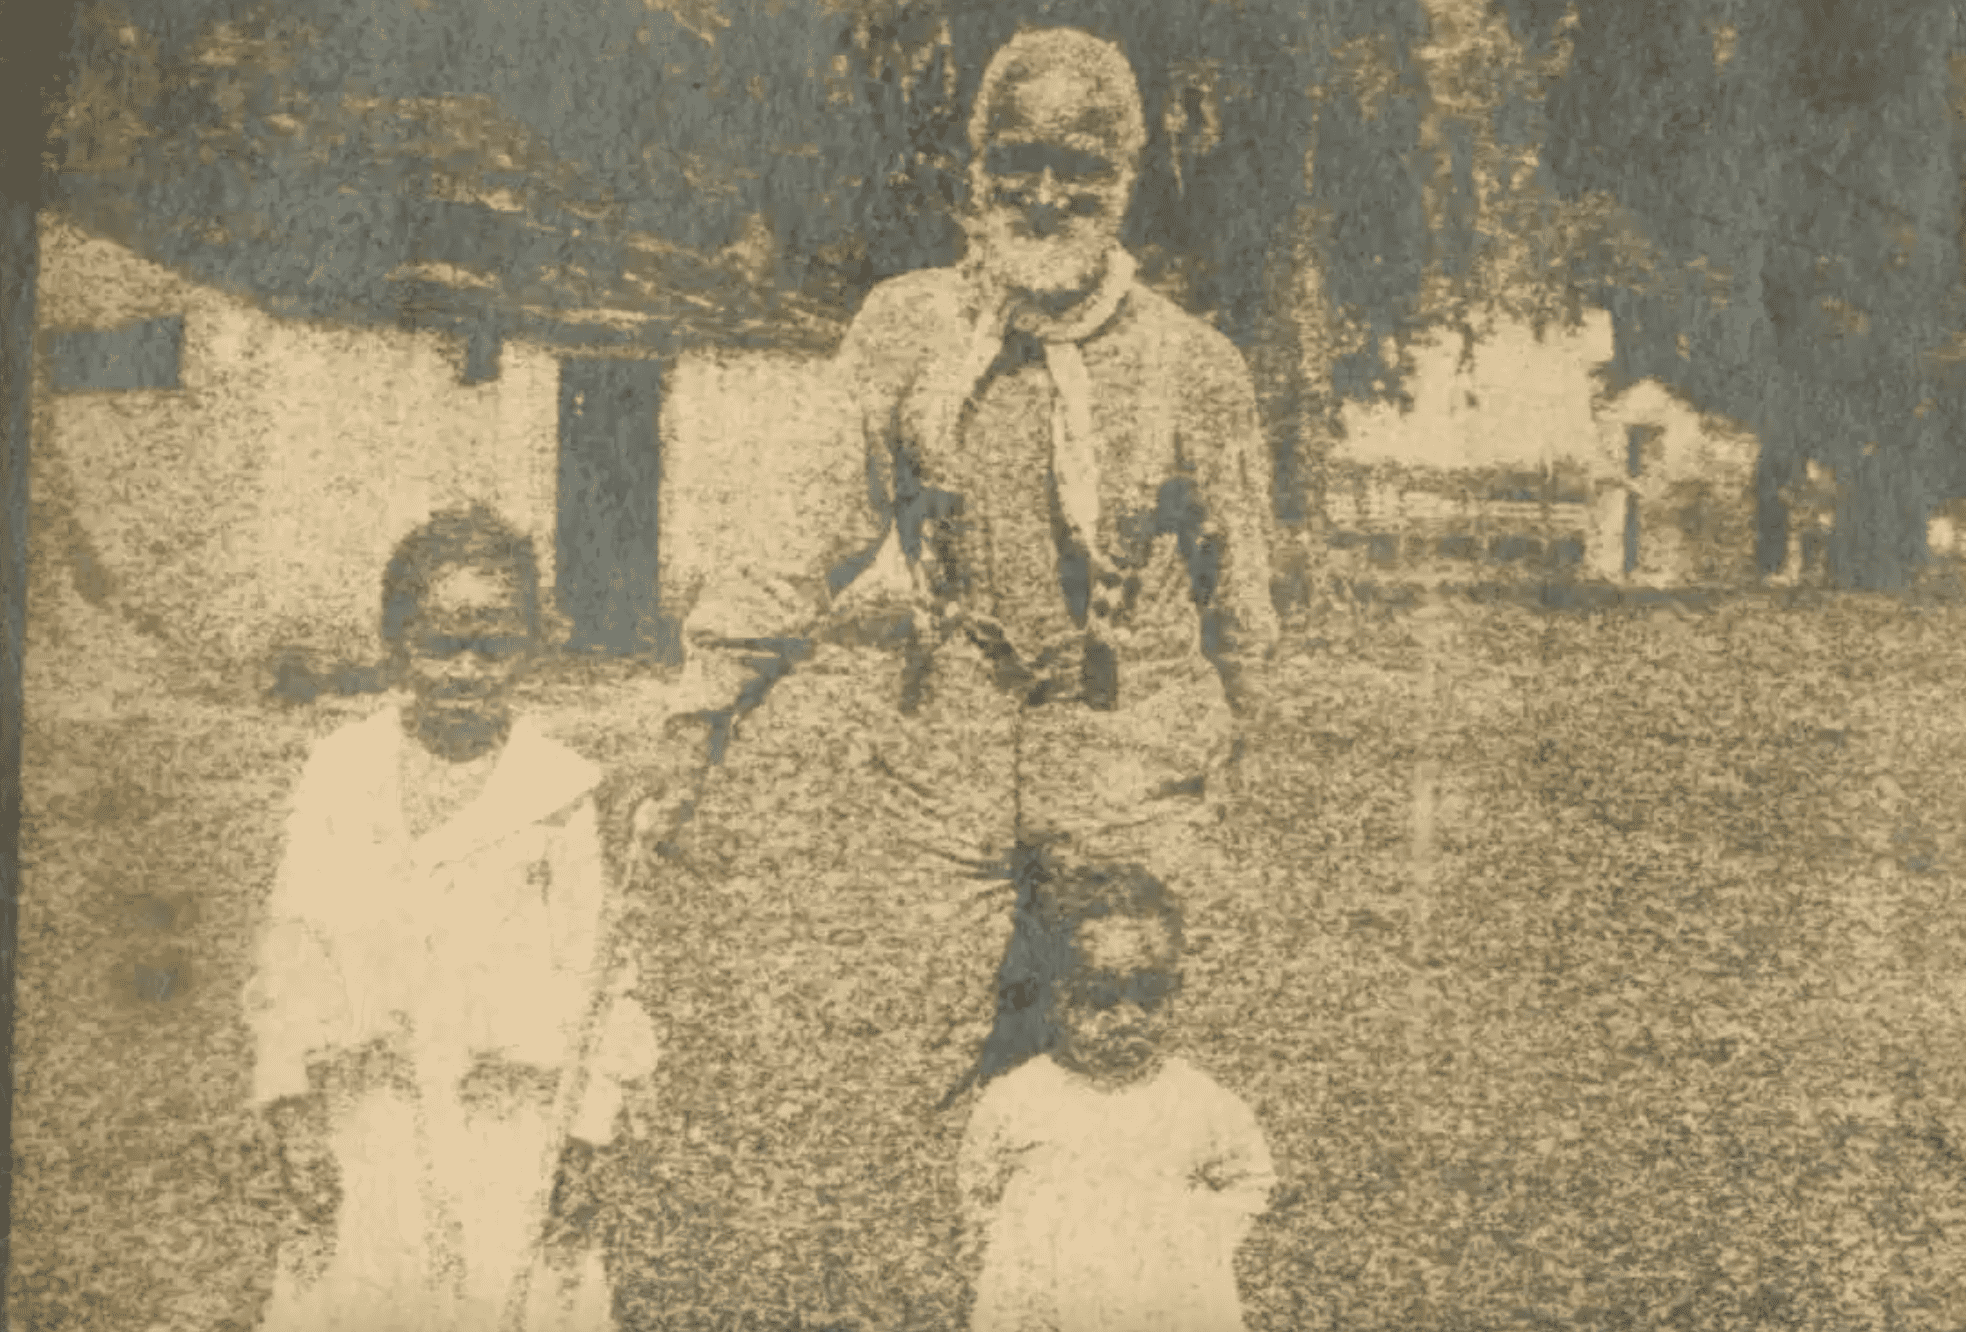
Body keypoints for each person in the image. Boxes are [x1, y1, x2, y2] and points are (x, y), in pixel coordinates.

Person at [246, 504, 657, 1332]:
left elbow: (597, 974)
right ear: (396, 641)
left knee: (510, 1296)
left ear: (534, 646)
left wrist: (586, 1133)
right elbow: (294, 947)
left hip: (510, 1126)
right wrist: (291, 1108)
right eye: (440, 645)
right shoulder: (342, 773)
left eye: (493, 647)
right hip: (371, 1115)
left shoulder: (557, 791)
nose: (466, 670)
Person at [957, 862, 1275, 1332]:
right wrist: (1012, 1250)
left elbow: (1252, 1179)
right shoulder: (1019, 1099)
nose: (1127, 1018)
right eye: (1101, 999)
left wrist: (1197, 1238)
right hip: (1048, 1296)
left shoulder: (1198, 1102)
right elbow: (978, 1188)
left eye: (1149, 996)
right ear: (1056, 998)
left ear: (1176, 992)